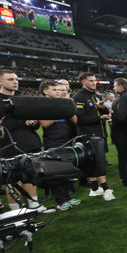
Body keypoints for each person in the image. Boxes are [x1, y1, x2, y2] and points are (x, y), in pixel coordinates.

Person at [0, 69, 49, 213]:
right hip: (8, 144)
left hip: (30, 142)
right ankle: (16, 211)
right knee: (14, 180)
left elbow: (37, 123)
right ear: (0, 82)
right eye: (10, 79)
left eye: (16, 79)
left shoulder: (23, 99)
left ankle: (35, 206)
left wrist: (34, 123)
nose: (15, 82)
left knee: (31, 175)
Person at [39, 81, 81, 211]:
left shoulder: (63, 102)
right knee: (57, 172)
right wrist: (59, 111)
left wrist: (67, 109)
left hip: (68, 140)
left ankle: (68, 196)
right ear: (45, 91)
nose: (58, 92)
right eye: (54, 89)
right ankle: (60, 200)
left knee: (69, 170)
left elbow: (75, 121)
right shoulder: (42, 105)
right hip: (53, 142)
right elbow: (44, 124)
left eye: (58, 89)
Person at [73, 72, 115, 201]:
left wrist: (102, 109)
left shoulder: (96, 96)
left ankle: (95, 188)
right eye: (90, 80)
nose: (93, 83)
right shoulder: (79, 97)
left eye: (94, 80)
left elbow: (104, 112)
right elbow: (80, 119)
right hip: (88, 134)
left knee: (95, 162)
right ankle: (105, 188)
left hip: (99, 132)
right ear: (83, 82)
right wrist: (99, 117)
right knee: (97, 162)